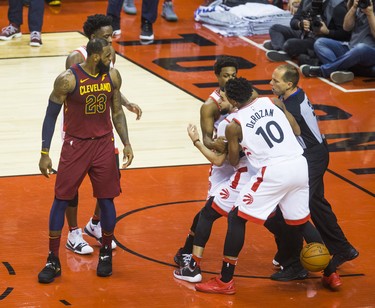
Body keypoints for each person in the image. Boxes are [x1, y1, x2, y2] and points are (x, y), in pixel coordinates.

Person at [194, 77, 341, 295]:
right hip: (299, 165)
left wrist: (236, 145)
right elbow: (296, 130)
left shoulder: (234, 125)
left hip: (273, 171)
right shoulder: (272, 102)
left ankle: (225, 281)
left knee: (236, 217)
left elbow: (233, 161)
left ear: (233, 100)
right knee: (300, 222)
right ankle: (330, 273)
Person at [37, 38, 130, 283]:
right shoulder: (68, 79)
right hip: (75, 145)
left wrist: (127, 142)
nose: (112, 60)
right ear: (96, 56)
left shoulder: (113, 76)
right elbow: (50, 116)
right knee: (61, 199)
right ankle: (52, 260)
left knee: (107, 199)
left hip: (103, 144)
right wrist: (45, 153)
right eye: (108, 56)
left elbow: (117, 111)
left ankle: (106, 253)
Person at [264, 64, 358, 282]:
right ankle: (342, 248)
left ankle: (294, 262)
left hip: (311, 157)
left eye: (275, 81)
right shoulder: (295, 95)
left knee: (294, 209)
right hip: (316, 152)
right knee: (316, 204)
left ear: (289, 84)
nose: (271, 83)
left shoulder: (291, 108)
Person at [63, 14, 142, 255]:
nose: (111, 40)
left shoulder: (110, 54)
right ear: (93, 38)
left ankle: (95, 224)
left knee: (110, 179)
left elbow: (109, 85)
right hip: (78, 129)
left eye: (112, 35)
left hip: (102, 128)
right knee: (72, 184)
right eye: (106, 36)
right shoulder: (76, 57)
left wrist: (125, 103)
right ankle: (73, 233)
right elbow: (75, 92)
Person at [173, 95, 259, 283]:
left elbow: (219, 159)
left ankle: (193, 266)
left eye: (224, 98)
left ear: (234, 99)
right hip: (261, 173)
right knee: (273, 218)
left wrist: (196, 141)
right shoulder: (259, 112)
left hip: (240, 173)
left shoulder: (229, 124)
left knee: (210, 214)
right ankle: (295, 258)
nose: (219, 102)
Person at [173, 56, 239, 268]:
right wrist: (219, 145)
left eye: (234, 75)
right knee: (209, 210)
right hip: (224, 164)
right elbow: (208, 139)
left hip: (244, 161)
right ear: (217, 76)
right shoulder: (210, 106)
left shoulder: (243, 94)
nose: (230, 79)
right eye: (226, 75)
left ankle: (288, 252)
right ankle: (186, 251)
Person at [300, 0, 375, 84]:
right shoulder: (362, 6)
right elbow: (346, 27)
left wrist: (370, 14)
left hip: (370, 53)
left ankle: (323, 71)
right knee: (320, 42)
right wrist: (353, 8)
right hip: (351, 48)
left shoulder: (369, 10)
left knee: (361, 48)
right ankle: (340, 71)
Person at [264, 0, 350, 65]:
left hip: (321, 40)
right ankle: (280, 51)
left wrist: (327, 32)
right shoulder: (306, 1)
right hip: (304, 33)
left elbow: (346, 35)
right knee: (275, 28)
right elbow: (294, 20)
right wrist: (300, 24)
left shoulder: (338, 7)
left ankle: (280, 45)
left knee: (290, 44)